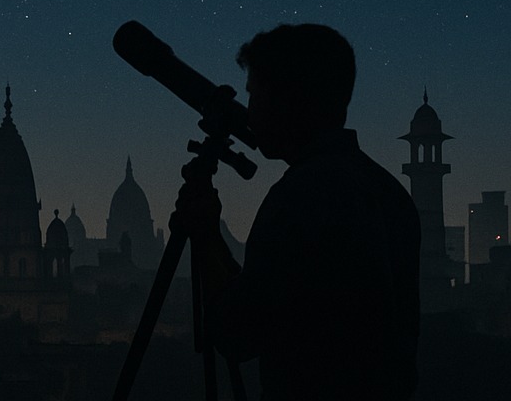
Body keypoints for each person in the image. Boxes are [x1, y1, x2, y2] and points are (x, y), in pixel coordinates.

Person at [174, 23, 420, 400]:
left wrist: (206, 233)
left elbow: (238, 332)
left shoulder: (301, 197)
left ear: (288, 100)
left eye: (255, 96)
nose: (248, 111)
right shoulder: (388, 193)